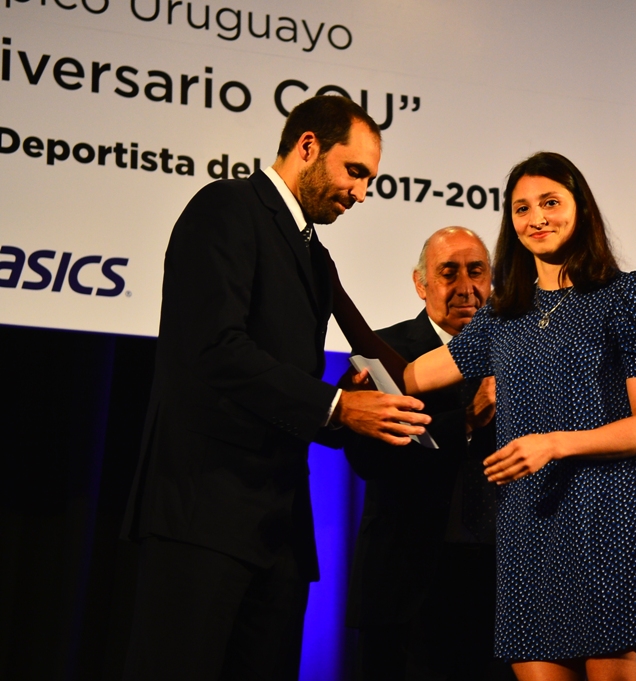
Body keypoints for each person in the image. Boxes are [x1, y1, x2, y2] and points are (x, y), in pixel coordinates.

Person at [120, 95, 431, 681]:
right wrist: (338, 407)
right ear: (309, 146)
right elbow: (214, 352)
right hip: (203, 516)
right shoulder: (226, 208)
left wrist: (349, 398)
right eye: (355, 171)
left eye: (370, 179)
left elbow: (286, 387)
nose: (361, 193)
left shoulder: (315, 256)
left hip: (279, 533)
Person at [403, 152, 636, 681]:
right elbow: (416, 375)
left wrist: (552, 443)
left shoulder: (628, 295)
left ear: (581, 209)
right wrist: (352, 389)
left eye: (550, 202)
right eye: (522, 208)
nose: (536, 218)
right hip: (529, 530)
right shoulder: (504, 312)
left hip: (609, 524)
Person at [345, 227, 515, 681]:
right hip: (407, 590)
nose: (466, 287)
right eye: (448, 273)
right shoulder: (383, 353)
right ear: (421, 285)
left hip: (502, 589)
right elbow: (367, 458)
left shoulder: (519, 353)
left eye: (476, 271)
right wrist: (464, 420)